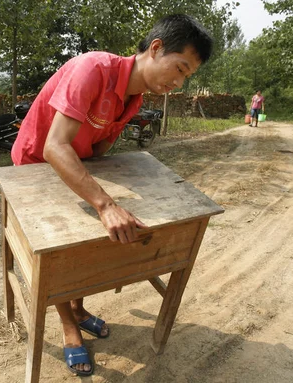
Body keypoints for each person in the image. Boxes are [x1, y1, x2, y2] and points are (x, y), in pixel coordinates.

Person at [11, 14, 213, 376]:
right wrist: (104, 203)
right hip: (35, 164)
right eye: (180, 69)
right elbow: (55, 147)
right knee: (61, 249)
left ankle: (77, 306)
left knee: (85, 240)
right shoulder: (92, 69)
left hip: (76, 162)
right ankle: (69, 326)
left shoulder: (133, 97)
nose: (179, 82)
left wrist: (102, 195)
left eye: (187, 77)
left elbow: (100, 149)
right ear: (155, 48)